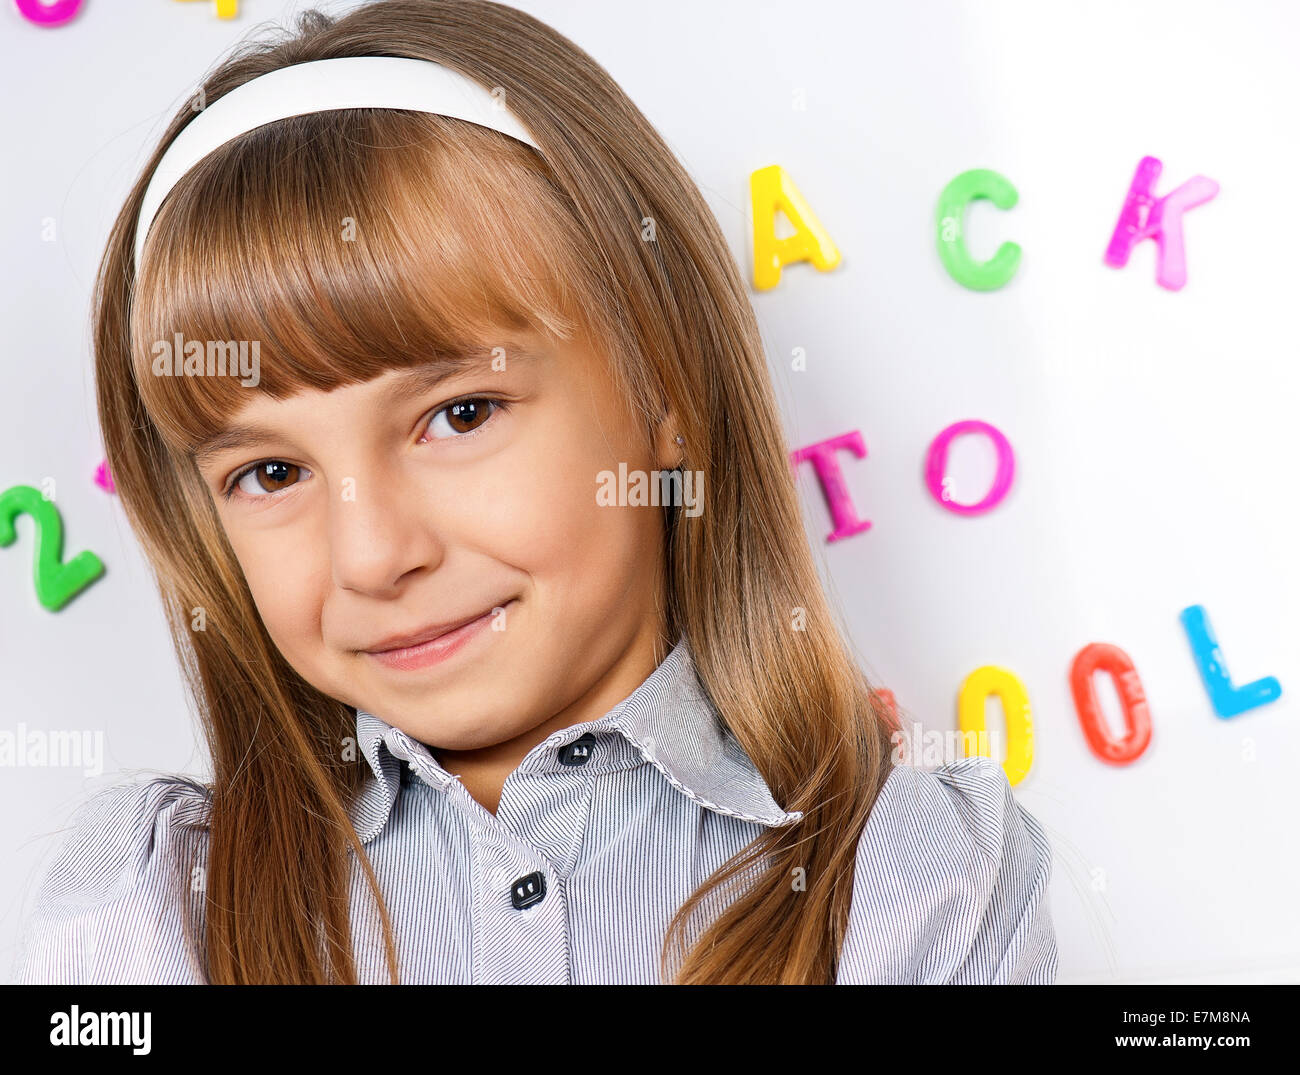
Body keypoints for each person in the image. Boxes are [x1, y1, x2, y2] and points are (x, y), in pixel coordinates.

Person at [13, 0, 1056, 985]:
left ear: (666, 387)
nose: (374, 554)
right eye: (271, 473)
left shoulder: (909, 875)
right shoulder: (161, 906)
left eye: (460, 415)